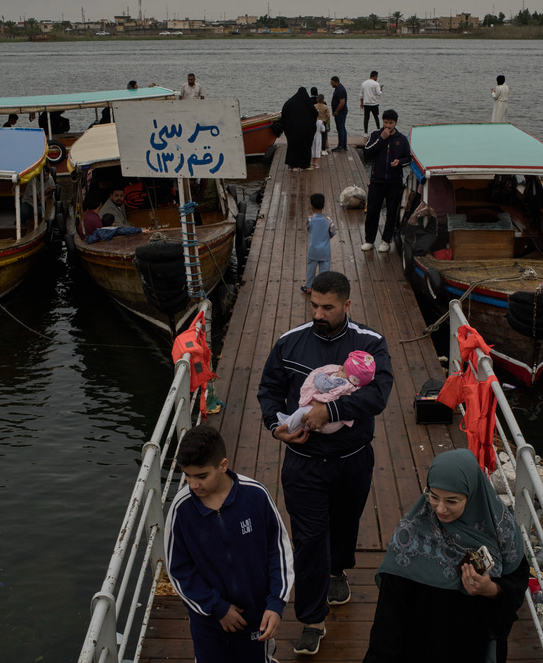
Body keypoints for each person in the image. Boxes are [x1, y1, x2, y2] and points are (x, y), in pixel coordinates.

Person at [257, 270, 393, 656]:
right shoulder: (289, 344)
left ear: (346, 305)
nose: (319, 313)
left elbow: (378, 396)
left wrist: (329, 409)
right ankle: (311, 619)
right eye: (313, 305)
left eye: (328, 307)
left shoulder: (371, 344)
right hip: (304, 462)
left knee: (346, 522)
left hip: (353, 459)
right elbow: (268, 390)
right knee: (309, 538)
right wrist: (274, 426)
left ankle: (339, 568)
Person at [363, 448, 529, 663]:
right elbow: (389, 617)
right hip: (417, 650)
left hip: (471, 649)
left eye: (452, 501)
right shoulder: (410, 535)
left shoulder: (502, 533)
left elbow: (516, 585)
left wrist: (491, 590)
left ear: (473, 494)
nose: (440, 509)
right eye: (433, 496)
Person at [164, 425, 294, 663]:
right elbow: (178, 569)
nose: (193, 485)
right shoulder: (180, 510)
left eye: (201, 476)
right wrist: (217, 607)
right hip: (208, 622)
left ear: (222, 466)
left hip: (255, 616)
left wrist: (276, 603)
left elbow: (279, 552)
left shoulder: (256, 496)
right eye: (187, 475)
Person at [276, 350, 374, 433]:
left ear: (351, 378)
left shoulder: (342, 383)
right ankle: (296, 424)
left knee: (304, 410)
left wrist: (320, 375)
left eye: (343, 370)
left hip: (326, 422)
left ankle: (289, 426)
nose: (339, 368)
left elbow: (323, 386)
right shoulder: (354, 387)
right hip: (335, 423)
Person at [362, 109, 411, 253]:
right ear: (382, 121)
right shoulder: (376, 135)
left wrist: (399, 162)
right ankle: (369, 240)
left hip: (394, 182)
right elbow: (367, 151)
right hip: (377, 180)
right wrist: (381, 139)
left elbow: (408, 158)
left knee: (391, 212)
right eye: (385, 122)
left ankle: (385, 240)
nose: (388, 125)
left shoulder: (401, 139)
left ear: (395, 123)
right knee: (372, 211)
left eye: (391, 123)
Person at [302, 193, 337, 294]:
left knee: (310, 271)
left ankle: (309, 287)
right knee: (325, 272)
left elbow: (309, 229)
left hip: (313, 250)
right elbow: (333, 232)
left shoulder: (310, 219)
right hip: (325, 251)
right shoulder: (328, 220)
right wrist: (326, 238)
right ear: (323, 206)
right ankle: (324, 290)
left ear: (311, 206)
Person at [281, 86, 318, 171]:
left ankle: (294, 165)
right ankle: (305, 165)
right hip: (306, 130)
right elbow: (315, 113)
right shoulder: (308, 103)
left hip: (292, 129)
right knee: (306, 146)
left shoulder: (290, 102)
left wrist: (286, 127)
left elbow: (284, 115)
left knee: (293, 146)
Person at [329, 76, 348, 151]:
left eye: (332, 82)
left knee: (340, 128)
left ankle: (341, 145)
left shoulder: (340, 90)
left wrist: (336, 111)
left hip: (340, 112)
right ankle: (344, 145)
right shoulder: (339, 88)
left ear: (336, 82)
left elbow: (342, 102)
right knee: (342, 127)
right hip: (340, 112)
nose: (331, 84)